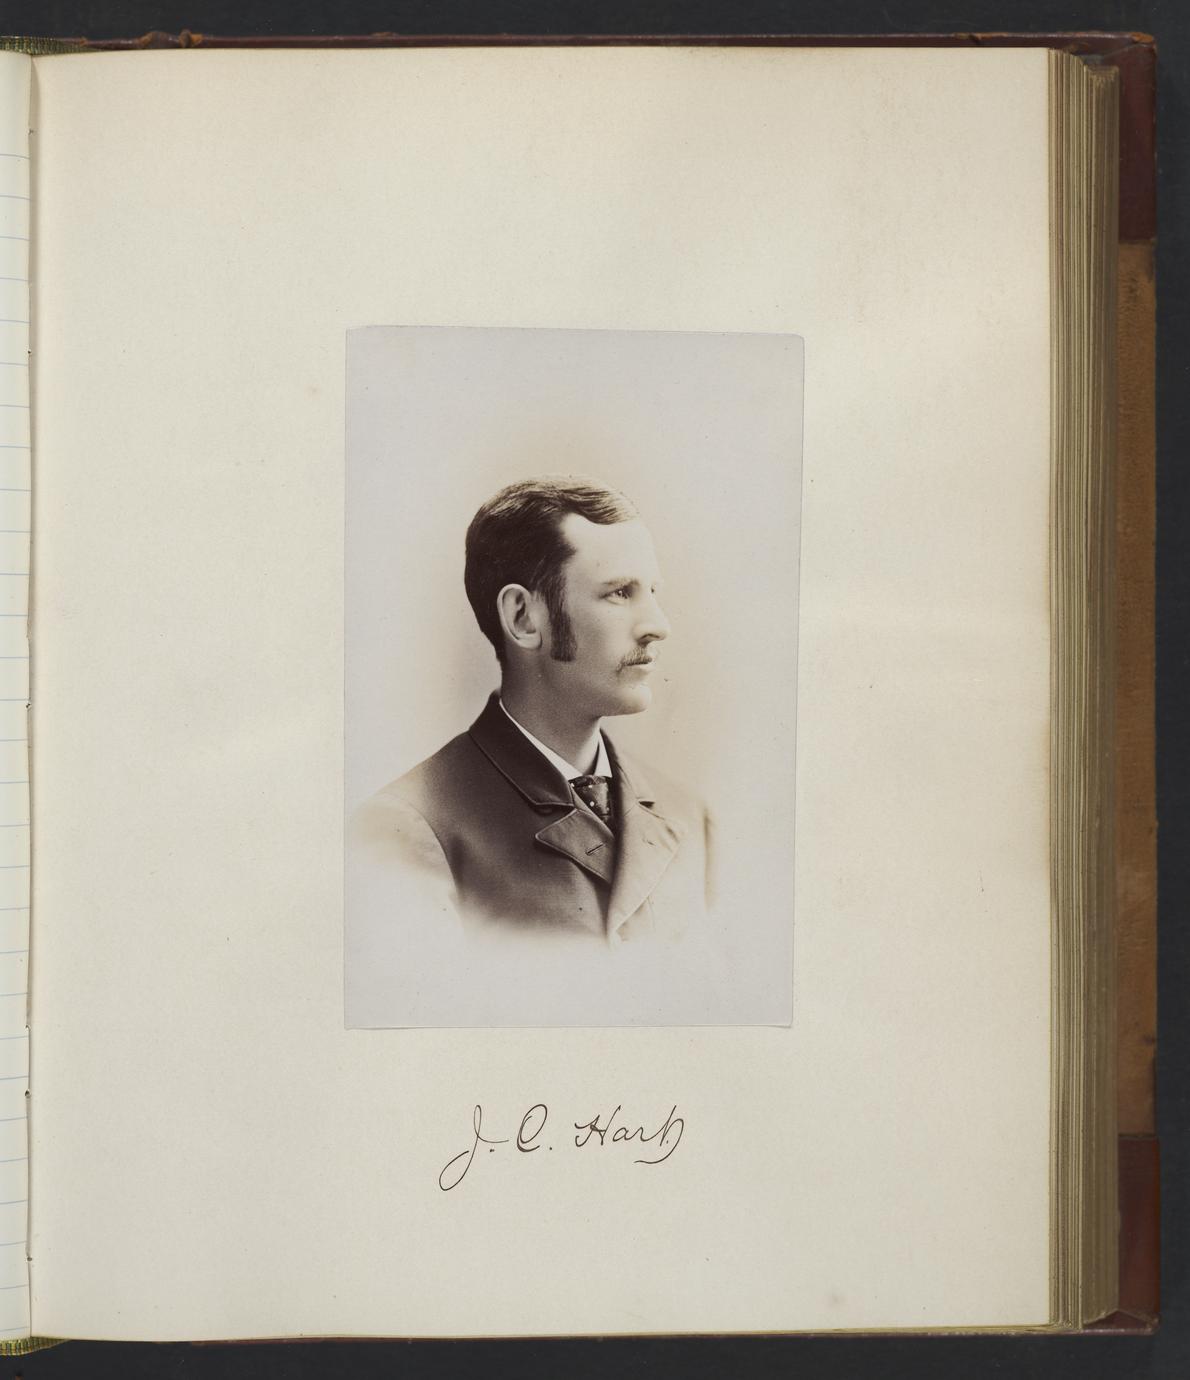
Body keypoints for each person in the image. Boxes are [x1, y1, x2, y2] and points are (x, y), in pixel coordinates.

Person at [355, 476, 713, 945]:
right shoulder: (409, 828)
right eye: (620, 592)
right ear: (523, 618)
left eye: (652, 591)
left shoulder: (689, 819)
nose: (657, 625)